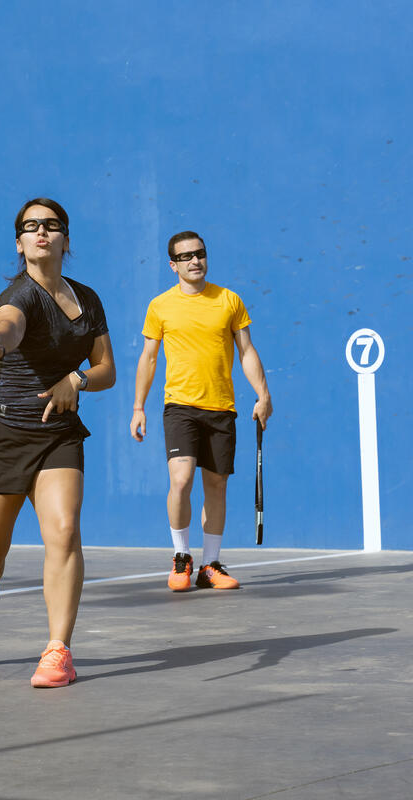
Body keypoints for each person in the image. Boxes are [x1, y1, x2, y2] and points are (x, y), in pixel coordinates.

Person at [0, 197, 116, 687]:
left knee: (65, 531)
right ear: (19, 242)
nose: (41, 232)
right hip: (3, 429)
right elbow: (8, 325)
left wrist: (78, 381)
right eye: (31, 227)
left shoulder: (88, 299)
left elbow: (106, 369)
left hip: (58, 431)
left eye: (51, 225)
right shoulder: (19, 295)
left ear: (65, 238)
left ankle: (58, 650)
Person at [130, 231, 272, 591]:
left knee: (216, 485)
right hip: (180, 407)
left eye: (200, 254)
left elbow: (247, 351)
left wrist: (262, 394)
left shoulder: (229, 301)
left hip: (221, 407)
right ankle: (181, 556)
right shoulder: (160, 306)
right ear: (173, 265)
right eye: (186, 256)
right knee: (181, 481)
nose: (195, 261)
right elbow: (148, 357)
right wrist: (138, 407)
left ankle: (210, 565)